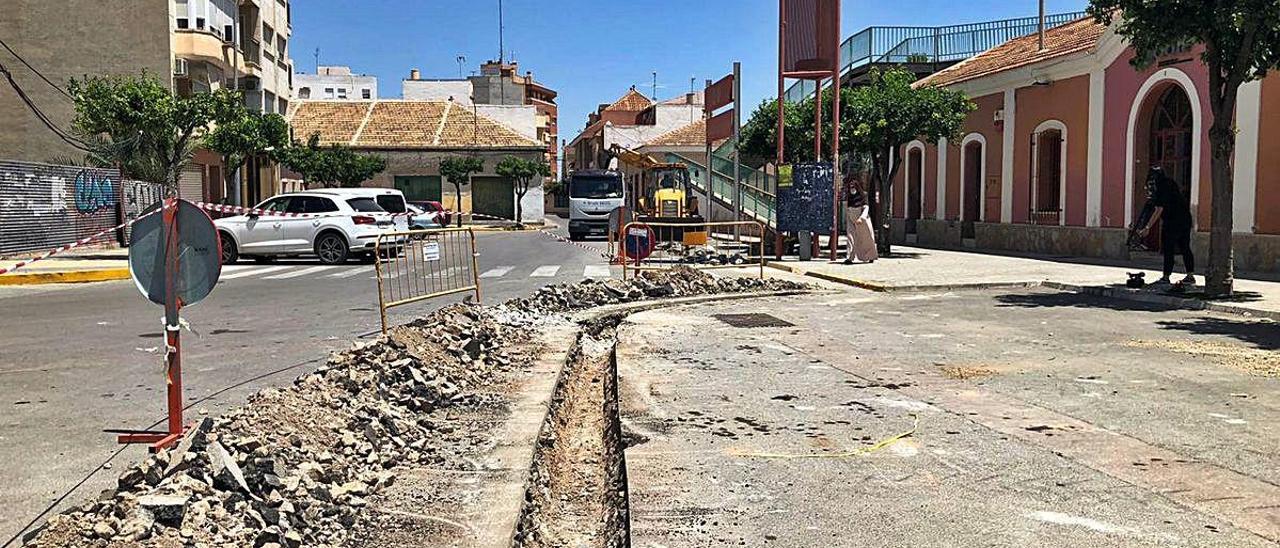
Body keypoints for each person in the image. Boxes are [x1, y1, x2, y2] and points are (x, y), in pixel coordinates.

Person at [1137, 167, 1195, 287]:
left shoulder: (1161, 188)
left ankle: (1166, 276)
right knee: (1185, 247)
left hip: (1172, 221)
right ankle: (1190, 275)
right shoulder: (1170, 183)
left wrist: (1147, 227)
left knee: (1168, 248)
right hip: (1185, 219)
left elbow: (1158, 209)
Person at [842, 178, 878, 264]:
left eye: (853, 187)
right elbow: (848, 208)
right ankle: (850, 257)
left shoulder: (863, 195)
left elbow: (866, 207)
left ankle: (870, 256)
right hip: (851, 219)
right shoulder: (849, 197)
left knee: (867, 239)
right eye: (850, 187)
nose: (852, 189)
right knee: (851, 238)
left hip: (862, 220)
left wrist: (862, 218)